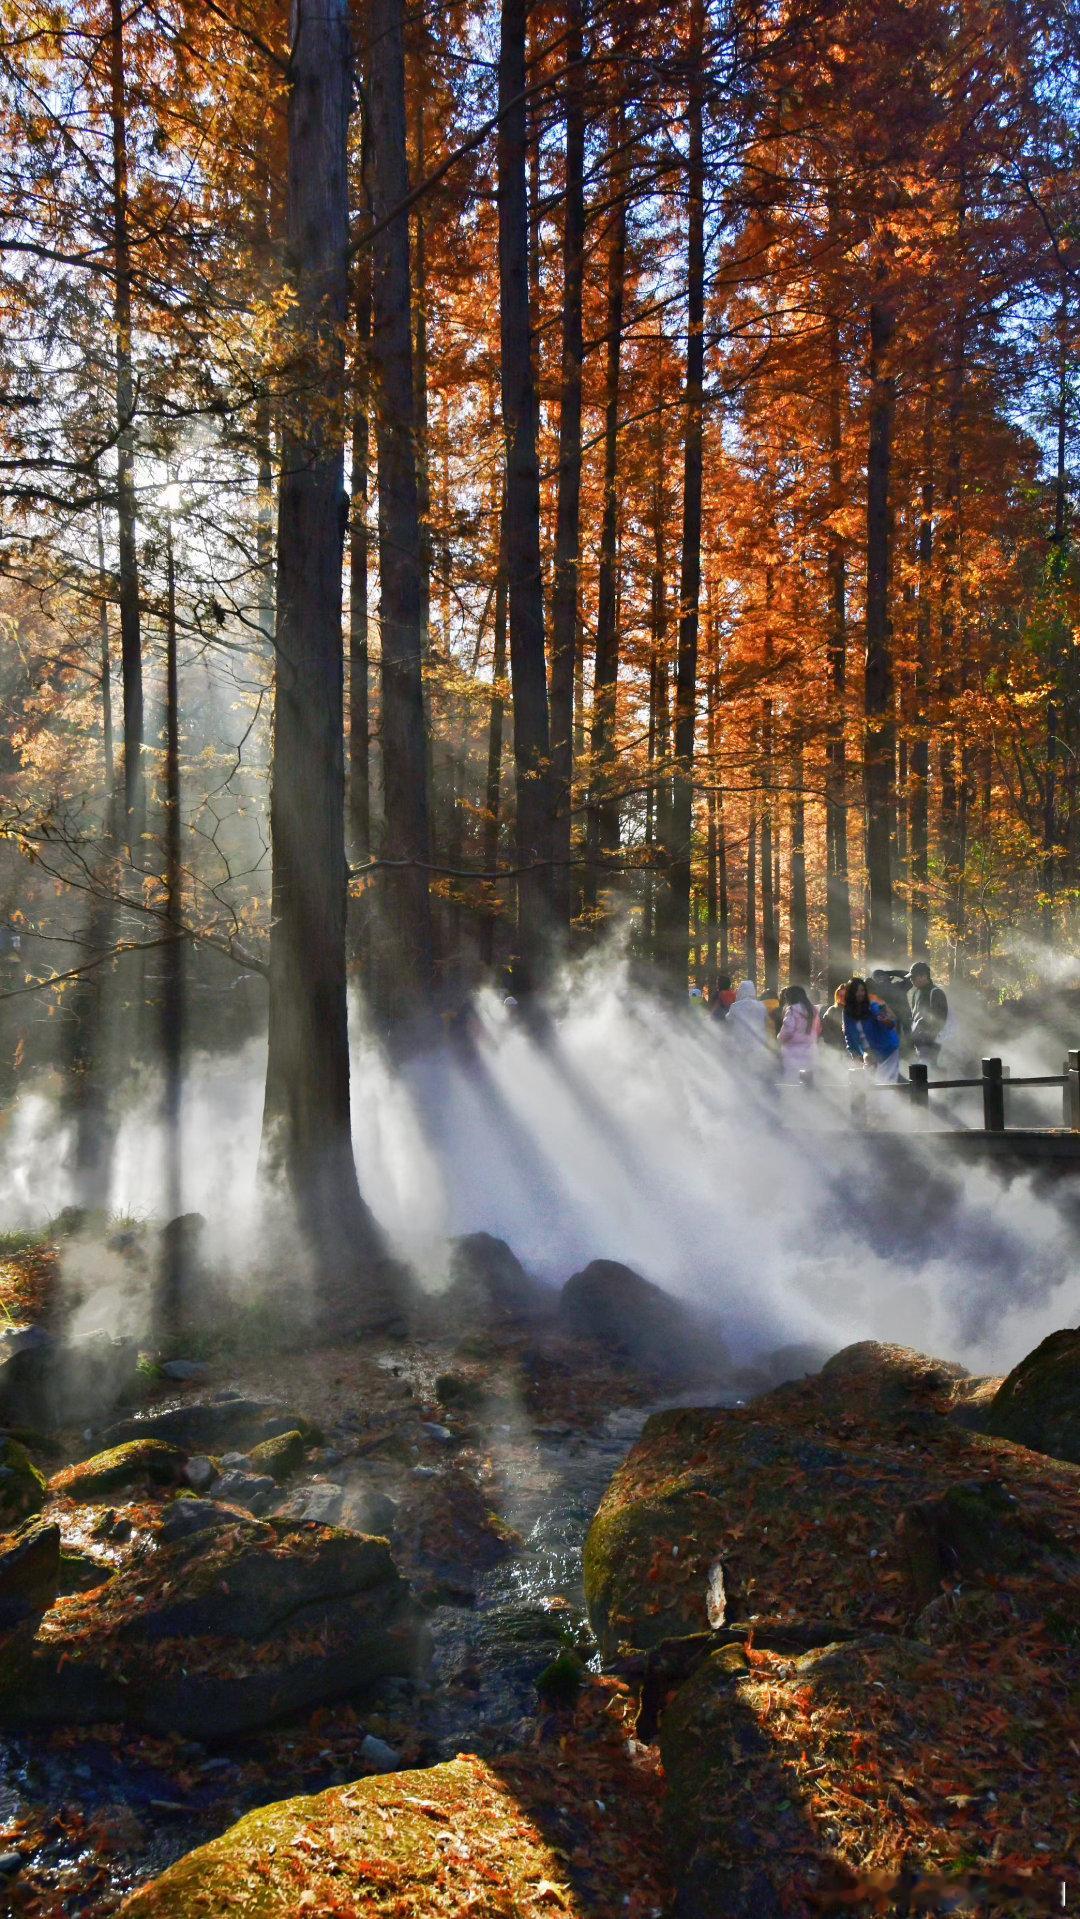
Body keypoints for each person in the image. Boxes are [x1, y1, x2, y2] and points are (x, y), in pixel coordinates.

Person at [843, 975, 901, 1083]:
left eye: (862, 990)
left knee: (885, 1083)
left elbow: (891, 1023)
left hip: (886, 1049)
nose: (860, 993)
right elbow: (848, 1034)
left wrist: (886, 1021)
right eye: (857, 991)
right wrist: (854, 1053)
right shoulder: (847, 1012)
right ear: (851, 993)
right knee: (868, 1083)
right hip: (868, 1053)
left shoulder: (872, 1006)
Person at [907, 961, 949, 1060]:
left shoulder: (936, 993)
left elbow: (939, 1019)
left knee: (930, 1070)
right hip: (918, 1042)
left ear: (923, 976)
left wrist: (927, 1038)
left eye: (913, 977)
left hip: (931, 1043)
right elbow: (915, 1017)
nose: (911, 980)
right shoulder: (916, 993)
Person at [777, 985, 821, 1078]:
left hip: (793, 1052)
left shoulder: (792, 1010)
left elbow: (788, 1030)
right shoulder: (813, 1010)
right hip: (811, 1050)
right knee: (808, 1082)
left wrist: (780, 1038)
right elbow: (818, 1029)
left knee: (793, 1082)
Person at [725, 979, 772, 1051]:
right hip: (757, 1041)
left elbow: (728, 1019)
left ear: (741, 991)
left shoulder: (735, 1006)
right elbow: (766, 1021)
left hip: (740, 1041)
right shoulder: (761, 1005)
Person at [819, 985, 848, 1050]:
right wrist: (834, 1042)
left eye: (845, 996)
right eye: (840, 996)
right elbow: (825, 1028)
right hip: (836, 1048)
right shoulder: (832, 1010)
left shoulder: (855, 1010)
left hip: (853, 1049)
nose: (842, 998)